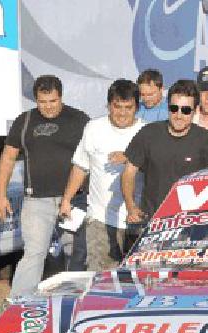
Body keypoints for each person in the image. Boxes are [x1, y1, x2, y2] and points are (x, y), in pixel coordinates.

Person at [0, 75, 90, 298]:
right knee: (34, 253)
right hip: (36, 200)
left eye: (53, 101)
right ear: (36, 100)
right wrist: (0, 195)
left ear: (61, 97)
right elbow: (8, 158)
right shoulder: (25, 120)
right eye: (42, 102)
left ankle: (76, 301)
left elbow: (91, 157)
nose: (47, 107)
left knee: (75, 252)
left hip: (74, 199)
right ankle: (19, 302)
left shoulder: (79, 120)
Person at [58, 79, 147, 271]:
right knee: (101, 277)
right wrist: (67, 199)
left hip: (137, 219)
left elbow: (156, 169)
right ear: (108, 106)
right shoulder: (93, 128)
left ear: (137, 108)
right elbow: (80, 166)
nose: (122, 113)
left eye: (128, 107)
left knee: (138, 278)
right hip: (100, 217)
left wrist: (130, 157)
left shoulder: (146, 132)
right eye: (117, 106)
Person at [122, 80, 208, 225]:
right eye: (174, 108)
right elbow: (128, 173)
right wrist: (131, 207)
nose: (179, 115)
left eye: (185, 110)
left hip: (193, 225)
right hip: (153, 225)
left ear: (195, 110)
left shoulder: (207, 139)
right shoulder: (148, 133)